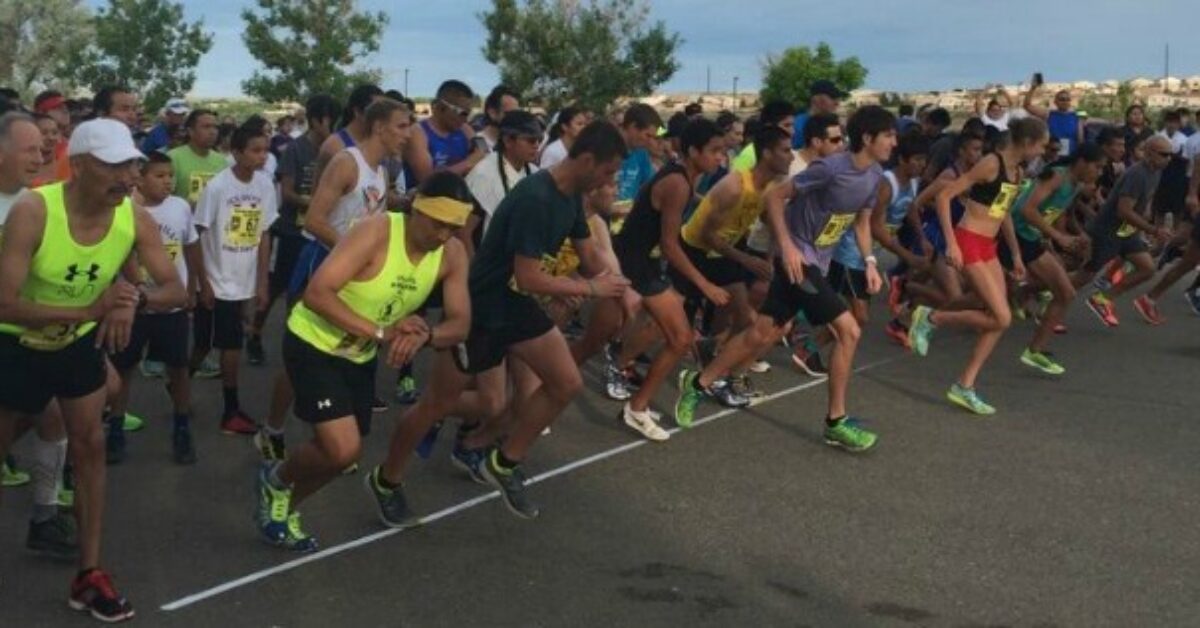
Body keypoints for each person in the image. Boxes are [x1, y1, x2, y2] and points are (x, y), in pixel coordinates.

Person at [367, 121, 630, 522]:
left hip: (517, 305)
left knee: (565, 383)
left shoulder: (572, 197)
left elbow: (592, 260)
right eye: (609, 172)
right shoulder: (536, 198)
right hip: (482, 311)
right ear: (588, 160)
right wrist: (590, 291)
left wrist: (618, 285)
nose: (610, 181)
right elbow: (528, 276)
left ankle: (503, 463)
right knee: (436, 404)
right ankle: (387, 479)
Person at [0, 118, 187, 622]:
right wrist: (90, 311)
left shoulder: (133, 217)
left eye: (131, 164)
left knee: (90, 447)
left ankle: (89, 573)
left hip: (74, 346)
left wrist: (132, 299)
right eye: (113, 165)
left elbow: (176, 289)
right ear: (78, 165)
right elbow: (3, 304)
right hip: (15, 345)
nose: (127, 176)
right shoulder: (33, 210)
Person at [257, 173, 472, 548]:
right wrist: (382, 333)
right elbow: (318, 294)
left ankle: (285, 503)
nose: (443, 235)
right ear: (417, 207)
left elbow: (461, 323)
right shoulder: (375, 232)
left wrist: (426, 335)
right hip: (313, 342)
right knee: (343, 448)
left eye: (453, 228)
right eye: (438, 224)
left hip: (358, 355)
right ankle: (275, 480)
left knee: (339, 457)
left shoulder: (451, 254)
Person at [676, 106, 899, 452]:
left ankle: (698, 383)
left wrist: (870, 261)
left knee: (761, 333)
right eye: (888, 135)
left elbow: (860, 222)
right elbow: (775, 198)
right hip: (798, 262)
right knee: (849, 329)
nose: (893, 142)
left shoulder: (873, 177)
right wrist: (787, 247)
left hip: (815, 263)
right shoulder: (830, 168)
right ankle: (835, 422)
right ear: (868, 138)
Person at [257, 99, 411, 462]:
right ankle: (273, 428)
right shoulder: (346, 162)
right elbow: (314, 220)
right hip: (321, 262)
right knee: (307, 350)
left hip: (352, 272)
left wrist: (405, 204)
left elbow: (375, 212)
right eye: (402, 126)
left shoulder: (382, 169)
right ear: (378, 127)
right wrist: (353, 253)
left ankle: (331, 436)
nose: (409, 134)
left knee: (343, 346)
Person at [908, 117, 1049, 415]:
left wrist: (1016, 254)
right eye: (1041, 145)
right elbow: (945, 196)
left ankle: (965, 385)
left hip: (989, 246)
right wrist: (952, 243)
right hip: (969, 240)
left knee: (999, 318)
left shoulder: (1018, 171)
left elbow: (1003, 214)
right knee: (1002, 317)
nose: (1043, 151)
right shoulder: (991, 163)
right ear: (1026, 143)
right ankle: (932, 318)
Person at [607, 118, 729, 438]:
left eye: (723, 151)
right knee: (680, 339)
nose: (721, 158)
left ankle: (618, 367)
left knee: (658, 329)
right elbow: (669, 244)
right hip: (635, 263)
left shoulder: (684, 178)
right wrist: (705, 285)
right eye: (715, 151)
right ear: (692, 150)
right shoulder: (677, 183)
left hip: (640, 260)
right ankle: (636, 407)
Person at [676, 125, 794, 391]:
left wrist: (772, 257)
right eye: (785, 151)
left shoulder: (772, 187)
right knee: (665, 327)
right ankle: (621, 357)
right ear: (766, 153)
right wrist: (746, 260)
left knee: (745, 320)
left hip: (723, 253)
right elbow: (707, 234)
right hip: (694, 249)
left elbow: (771, 221)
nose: (792, 157)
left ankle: (710, 350)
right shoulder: (734, 186)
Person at [105, 151, 201, 464]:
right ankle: (115, 428)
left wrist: (194, 287)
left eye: (170, 175)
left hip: (171, 308)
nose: (168, 181)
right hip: (133, 308)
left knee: (179, 369)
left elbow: (189, 247)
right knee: (123, 368)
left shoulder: (180, 207)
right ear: (140, 179)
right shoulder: (124, 210)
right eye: (159, 176)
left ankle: (182, 426)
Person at [190, 122, 278, 435]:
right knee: (215, 344)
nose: (262, 156)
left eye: (266, 150)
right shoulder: (217, 188)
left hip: (244, 280)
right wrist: (202, 282)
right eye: (255, 150)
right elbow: (196, 235)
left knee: (222, 343)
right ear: (236, 152)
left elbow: (264, 233)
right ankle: (225, 408)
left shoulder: (265, 185)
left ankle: (190, 387)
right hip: (218, 279)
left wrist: (262, 281)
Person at [246, 94, 341, 366]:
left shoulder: (338, 151)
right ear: (315, 121)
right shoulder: (296, 150)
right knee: (278, 287)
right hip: (290, 231)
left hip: (318, 234)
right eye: (328, 122)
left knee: (305, 290)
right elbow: (286, 192)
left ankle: (296, 345)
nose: (332, 128)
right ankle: (255, 332)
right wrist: (313, 203)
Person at [1002, 143, 1103, 373]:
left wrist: (1074, 235)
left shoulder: (1076, 184)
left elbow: (1057, 211)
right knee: (978, 301)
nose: (1098, 172)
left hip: (1030, 239)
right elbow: (1028, 210)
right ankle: (929, 315)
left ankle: (1034, 351)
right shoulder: (1057, 176)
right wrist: (1058, 237)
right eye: (1097, 166)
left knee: (1065, 293)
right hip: (1012, 235)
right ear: (1082, 162)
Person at [1073, 136, 1174, 326]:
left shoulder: (1156, 171)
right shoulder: (1136, 174)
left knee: (1147, 268)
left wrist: (1146, 221)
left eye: (1170, 155)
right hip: (1107, 230)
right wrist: (1152, 229)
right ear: (1149, 152)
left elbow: (1146, 200)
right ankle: (1048, 295)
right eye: (1164, 154)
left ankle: (1103, 299)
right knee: (1084, 276)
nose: (1168, 159)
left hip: (1127, 232)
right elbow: (1124, 210)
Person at [868, 130, 930, 347]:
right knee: (854, 307)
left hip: (881, 244)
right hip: (862, 246)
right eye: (917, 160)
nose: (922, 165)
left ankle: (901, 298)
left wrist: (922, 237)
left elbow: (911, 208)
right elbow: (875, 228)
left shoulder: (913, 181)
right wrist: (907, 256)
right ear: (903, 160)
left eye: (924, 160)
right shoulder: (886, 184)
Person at [464, 110, 542, 250]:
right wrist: (474, 269)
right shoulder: (483, 174)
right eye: (530, 140)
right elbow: (463, 232)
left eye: (539, 140)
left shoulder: (535, 173)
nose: (536, 145)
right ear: (507, 141)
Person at [613, 103, 664, 227]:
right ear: (632, 127)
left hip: (629, 221)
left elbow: (650, 187)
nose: (649, 141)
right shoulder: (606, 150)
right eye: (647, 135)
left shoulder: (641, 154)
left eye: (653, 137)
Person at [167, 109, 227, 207]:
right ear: (191, 131)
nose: (212, 132)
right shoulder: (173, 158)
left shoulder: (222, 161)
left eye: (215, 127)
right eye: (206, 127)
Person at [1024, 76, 1083, 156]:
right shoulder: (1048, 114)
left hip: (1071, 157)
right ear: (1055, 102)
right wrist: (1033, 87)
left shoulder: (1076, 116)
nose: (1065, 101)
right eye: (1062, 99)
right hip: (1051, 156)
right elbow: (1027, 106)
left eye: (1067, 99)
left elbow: (1081, 139)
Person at [732, 100, 795, 171]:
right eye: (787, 125)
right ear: (769, 125)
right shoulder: (749, 156)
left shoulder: (788, 152)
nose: (792, 131)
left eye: (793, 125)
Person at [791, 79, 846, 150]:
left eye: (837, 98)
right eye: (832, 97)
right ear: (815, 99)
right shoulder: (796, 125)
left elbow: (839, 150)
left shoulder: (833, 123)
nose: (837, 102)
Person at [477, 85, 521, 152]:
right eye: (510, 114)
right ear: (492, 113)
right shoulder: (479, 142)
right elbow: (486, 158)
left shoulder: (514, 142)